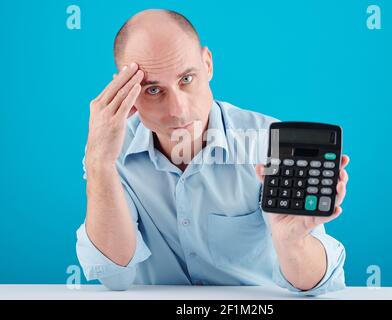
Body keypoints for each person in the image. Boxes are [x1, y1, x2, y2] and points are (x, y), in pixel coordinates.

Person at [76, 9, 350, 295]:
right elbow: (113, 275)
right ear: (125, 87)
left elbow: (319, 285)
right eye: (154, 90)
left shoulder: (269, 142)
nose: (177, 111)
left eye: (186, 79)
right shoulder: (109, 151)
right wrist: (99, 163)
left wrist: (292, 242)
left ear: (207, 64)